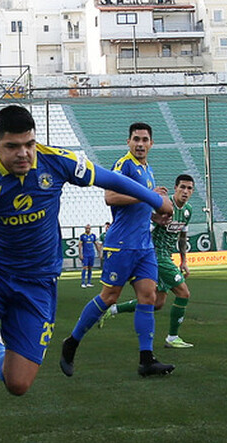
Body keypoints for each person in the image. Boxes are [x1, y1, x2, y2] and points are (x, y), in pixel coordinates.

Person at [0, 105, 170, 443]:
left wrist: (155, 199)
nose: (23, 153)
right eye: (13, 146)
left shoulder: (56, 161)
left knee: (19, 384)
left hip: (37, 283)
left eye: (29, 144)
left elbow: (108, 179)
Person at [60, 123, 177, 379]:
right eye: (136, 139)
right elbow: (110, 197)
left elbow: (141, 208)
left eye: (145, 140)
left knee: (149, 297)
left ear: (151, 144)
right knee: (109, 297)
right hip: (121, 244)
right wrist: (148, 196)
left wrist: (156, 218)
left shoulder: (148, 170)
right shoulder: (123, 164)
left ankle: (146, 360)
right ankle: (72, 342)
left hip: (144, 245)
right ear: (128, 141)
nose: (140, 144)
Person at [99, 174, 196, 349]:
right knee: (183, 293)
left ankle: (112, 309)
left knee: (157, 303)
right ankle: (172, 338)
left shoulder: (187, 211)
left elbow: (182, 237)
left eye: (189, 188)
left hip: (168, 255)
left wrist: (184, 261)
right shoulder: (164, 206)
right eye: (182, 187)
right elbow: (144, 226)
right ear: (175, 188)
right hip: (155, 254)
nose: (185, 191)